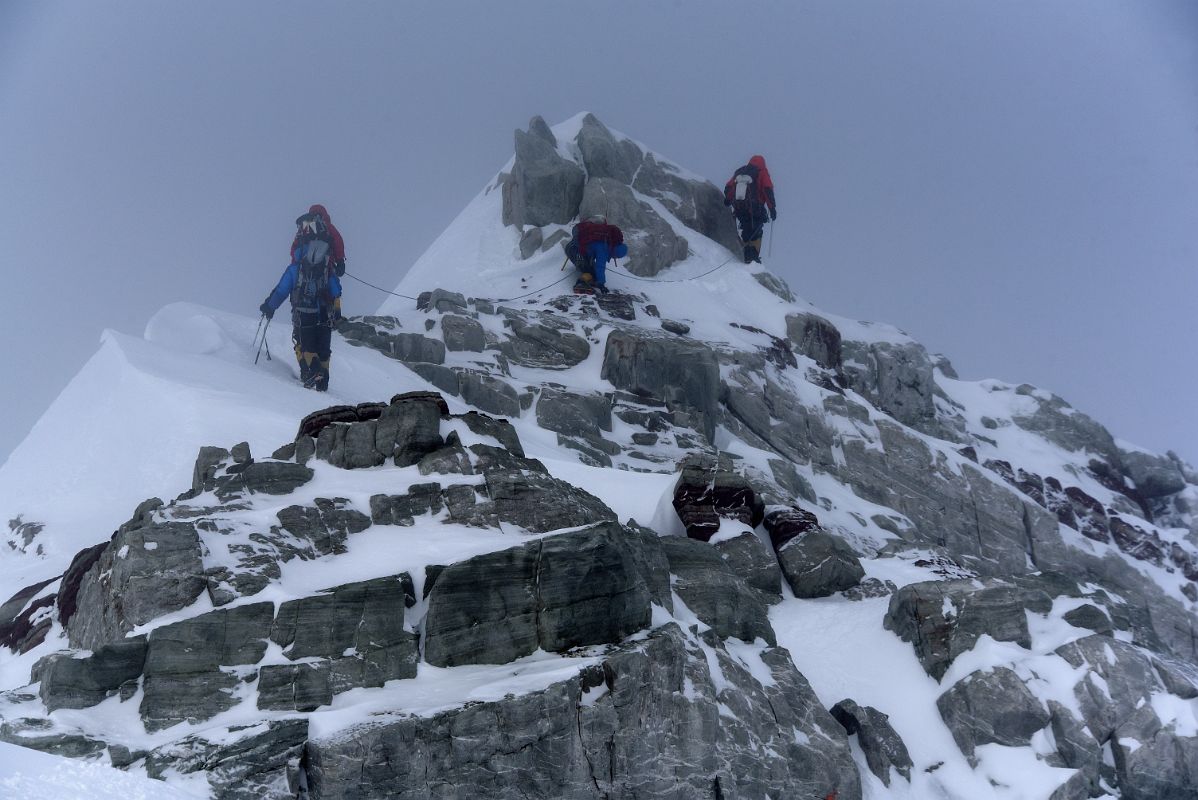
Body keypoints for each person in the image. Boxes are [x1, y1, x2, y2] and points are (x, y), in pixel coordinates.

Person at [259, 210, 343, 391]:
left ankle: (311, 372)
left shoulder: (296, 267)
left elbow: (282, 289)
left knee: (303, 343)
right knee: (323, 348)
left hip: (303, 310)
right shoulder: (326, 264)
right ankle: (323, 382)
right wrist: (337, 307)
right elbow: (335, 286)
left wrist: (269, 306)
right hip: (324, 311)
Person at [724, 155, 777, 264]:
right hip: (755, 209)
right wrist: (772, 209)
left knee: (746, 229)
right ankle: (752, 258)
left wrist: (728, 200)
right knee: (756, 232)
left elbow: (729, 186)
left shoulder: (740, 171)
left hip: (740, 209)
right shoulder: (762, 172)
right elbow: (767, 190)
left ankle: (746, 254)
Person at [566, 215, 628, 294]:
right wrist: (601, 284)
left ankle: (589, 280)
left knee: (593, 271)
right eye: (615, 256)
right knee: (587, 270)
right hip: (574, 250)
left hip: (577, 248)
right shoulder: (604, 247)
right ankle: (581, 283)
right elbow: (600, 265)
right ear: (615, 251)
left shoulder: (605, 241)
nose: (614, 257)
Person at [291, 204, 346, 276]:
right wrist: (340, 261)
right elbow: (338, 242)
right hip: (326, 265)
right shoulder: (328, 226)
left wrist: (294, 263)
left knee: (294, 281)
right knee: (333, 283)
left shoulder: (304, 226)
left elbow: (295, 247)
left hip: (304, 265)